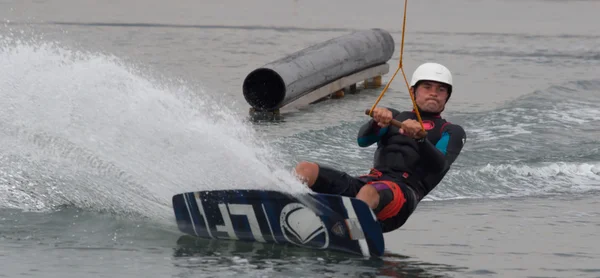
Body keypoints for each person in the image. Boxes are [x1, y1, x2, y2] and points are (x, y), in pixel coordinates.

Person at [293, 62, 467, 233]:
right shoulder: (394, 116)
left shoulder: (451, 131)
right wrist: (377, 123)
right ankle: (286, 210)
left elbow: (440, 166)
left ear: (447, 97)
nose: (433, 94)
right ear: (413, 91)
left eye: (441, 90)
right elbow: (362, 140)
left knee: (368, 192)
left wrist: (420, 140)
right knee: (306, 169)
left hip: (403, 196)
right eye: (427, 87)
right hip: (371, 181)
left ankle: (351, 235)